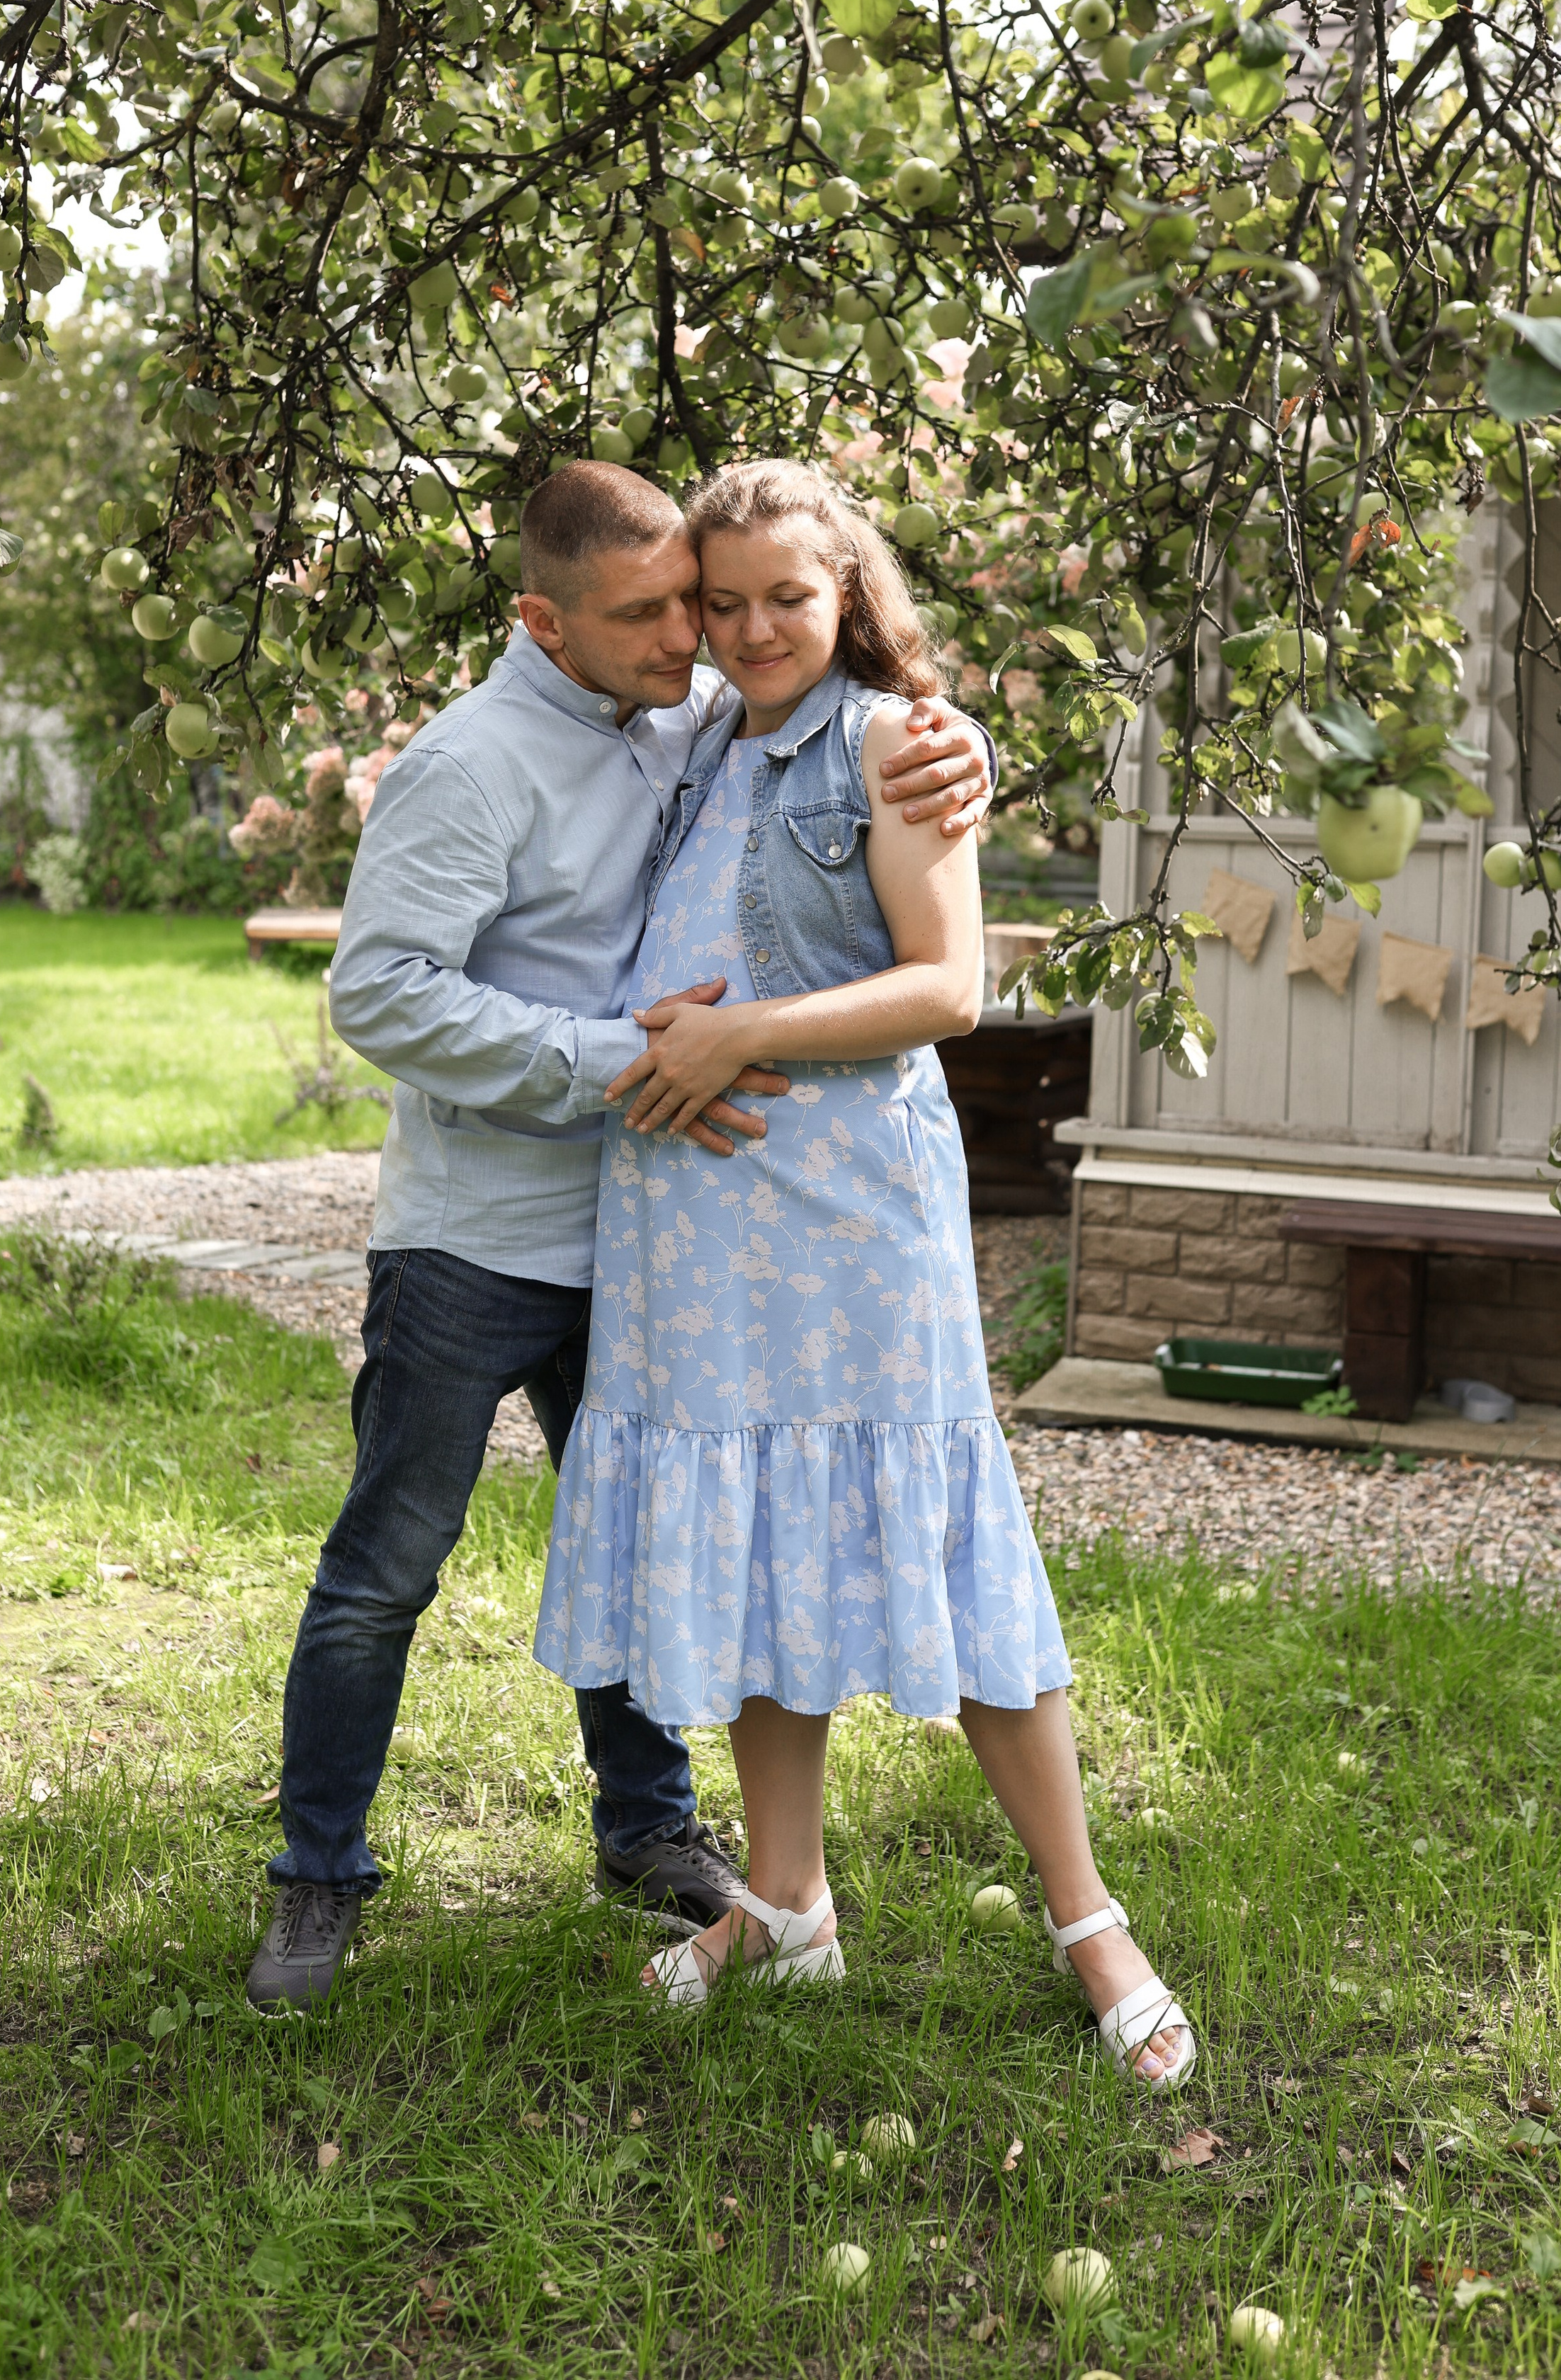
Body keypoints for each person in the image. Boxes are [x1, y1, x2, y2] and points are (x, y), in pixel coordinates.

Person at [244, 461, 995, 2012]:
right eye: (649, 614)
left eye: (698, 605)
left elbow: (836, 738)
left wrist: (951, 744)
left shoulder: (687, 712)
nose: (690, 639)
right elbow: (380, 994)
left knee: (647, 1546)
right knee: (386, 1568)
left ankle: (649, 1832)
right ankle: (318, 1880)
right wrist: (628, 1063)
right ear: (545, 620)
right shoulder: (469, 764)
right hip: (478, 1237)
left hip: (654, 1237)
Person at [535, 460, 1196, 2091]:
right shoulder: (690, 747)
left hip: (846, 1219)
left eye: (788, 596)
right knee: (757, 1549)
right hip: (693, 1232)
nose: (752, 627)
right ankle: (786, 1900)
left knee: (954, 1565)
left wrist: (743, 1031)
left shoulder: (894, 746)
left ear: (847, 599)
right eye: (724, 599)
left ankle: (1086, 1918)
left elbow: (949, 987)